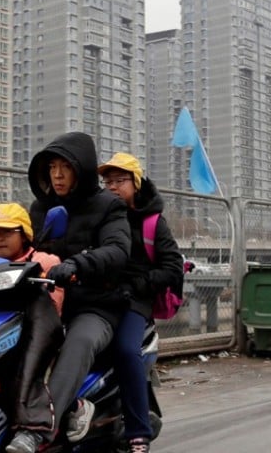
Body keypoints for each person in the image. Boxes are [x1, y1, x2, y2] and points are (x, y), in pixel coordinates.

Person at [6, 132, 132, 453]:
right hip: (49, 301)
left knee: (80, 341)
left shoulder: (110, 206)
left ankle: (36, 430)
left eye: (65, 167)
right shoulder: (41, 207)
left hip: (95, 305)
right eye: (52, 167)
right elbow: (28, 250)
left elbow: (118, 250)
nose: (57, 175)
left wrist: (78, 264)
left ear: (83, 169)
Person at [97, 152, 185, 453]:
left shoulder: (152, 222)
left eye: (119, 180)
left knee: (125, 350)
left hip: (136, 299)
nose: (111, 186)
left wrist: (140, 284)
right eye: (107, 181)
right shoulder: (102, 215)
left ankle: (138, 432)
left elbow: (173, 267)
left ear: (135, 183)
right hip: (102, 295)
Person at [0, 203, 65, 445]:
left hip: (37, 333)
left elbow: (53, 306)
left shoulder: (44, 261)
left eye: (7, 232)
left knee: (27, 364)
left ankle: (33, 428)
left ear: (25, 234)